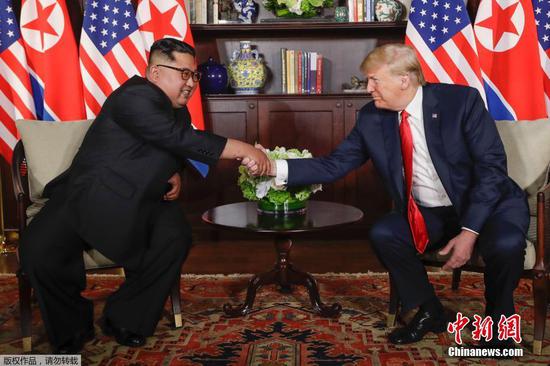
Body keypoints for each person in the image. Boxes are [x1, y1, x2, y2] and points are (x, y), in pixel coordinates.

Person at [259, 43, 528, 347]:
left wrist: (469, 231)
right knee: (385, 232)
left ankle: (498, 321)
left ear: (404, 79)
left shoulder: (461, 102)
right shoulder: (372, 117)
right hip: (432, 211)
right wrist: (272, 167)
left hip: (489, 205)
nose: (368, 88)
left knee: (506, 243)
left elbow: (491, 170)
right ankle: (430, 310)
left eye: (375, 80)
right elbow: (336, 164)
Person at [19, 38, 269, 354]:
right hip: (88, 193)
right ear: (154, 73)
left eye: (194, 75)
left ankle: (126, 318)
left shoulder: (175, 110)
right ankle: (72, 325)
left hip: (142, 196)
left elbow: (169, 146)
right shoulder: (135, 95)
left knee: (174, 237)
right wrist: (243, 149)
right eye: (184, 74)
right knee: (38, 251)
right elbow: (177, 137)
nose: (191, 83)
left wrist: (173, 170)